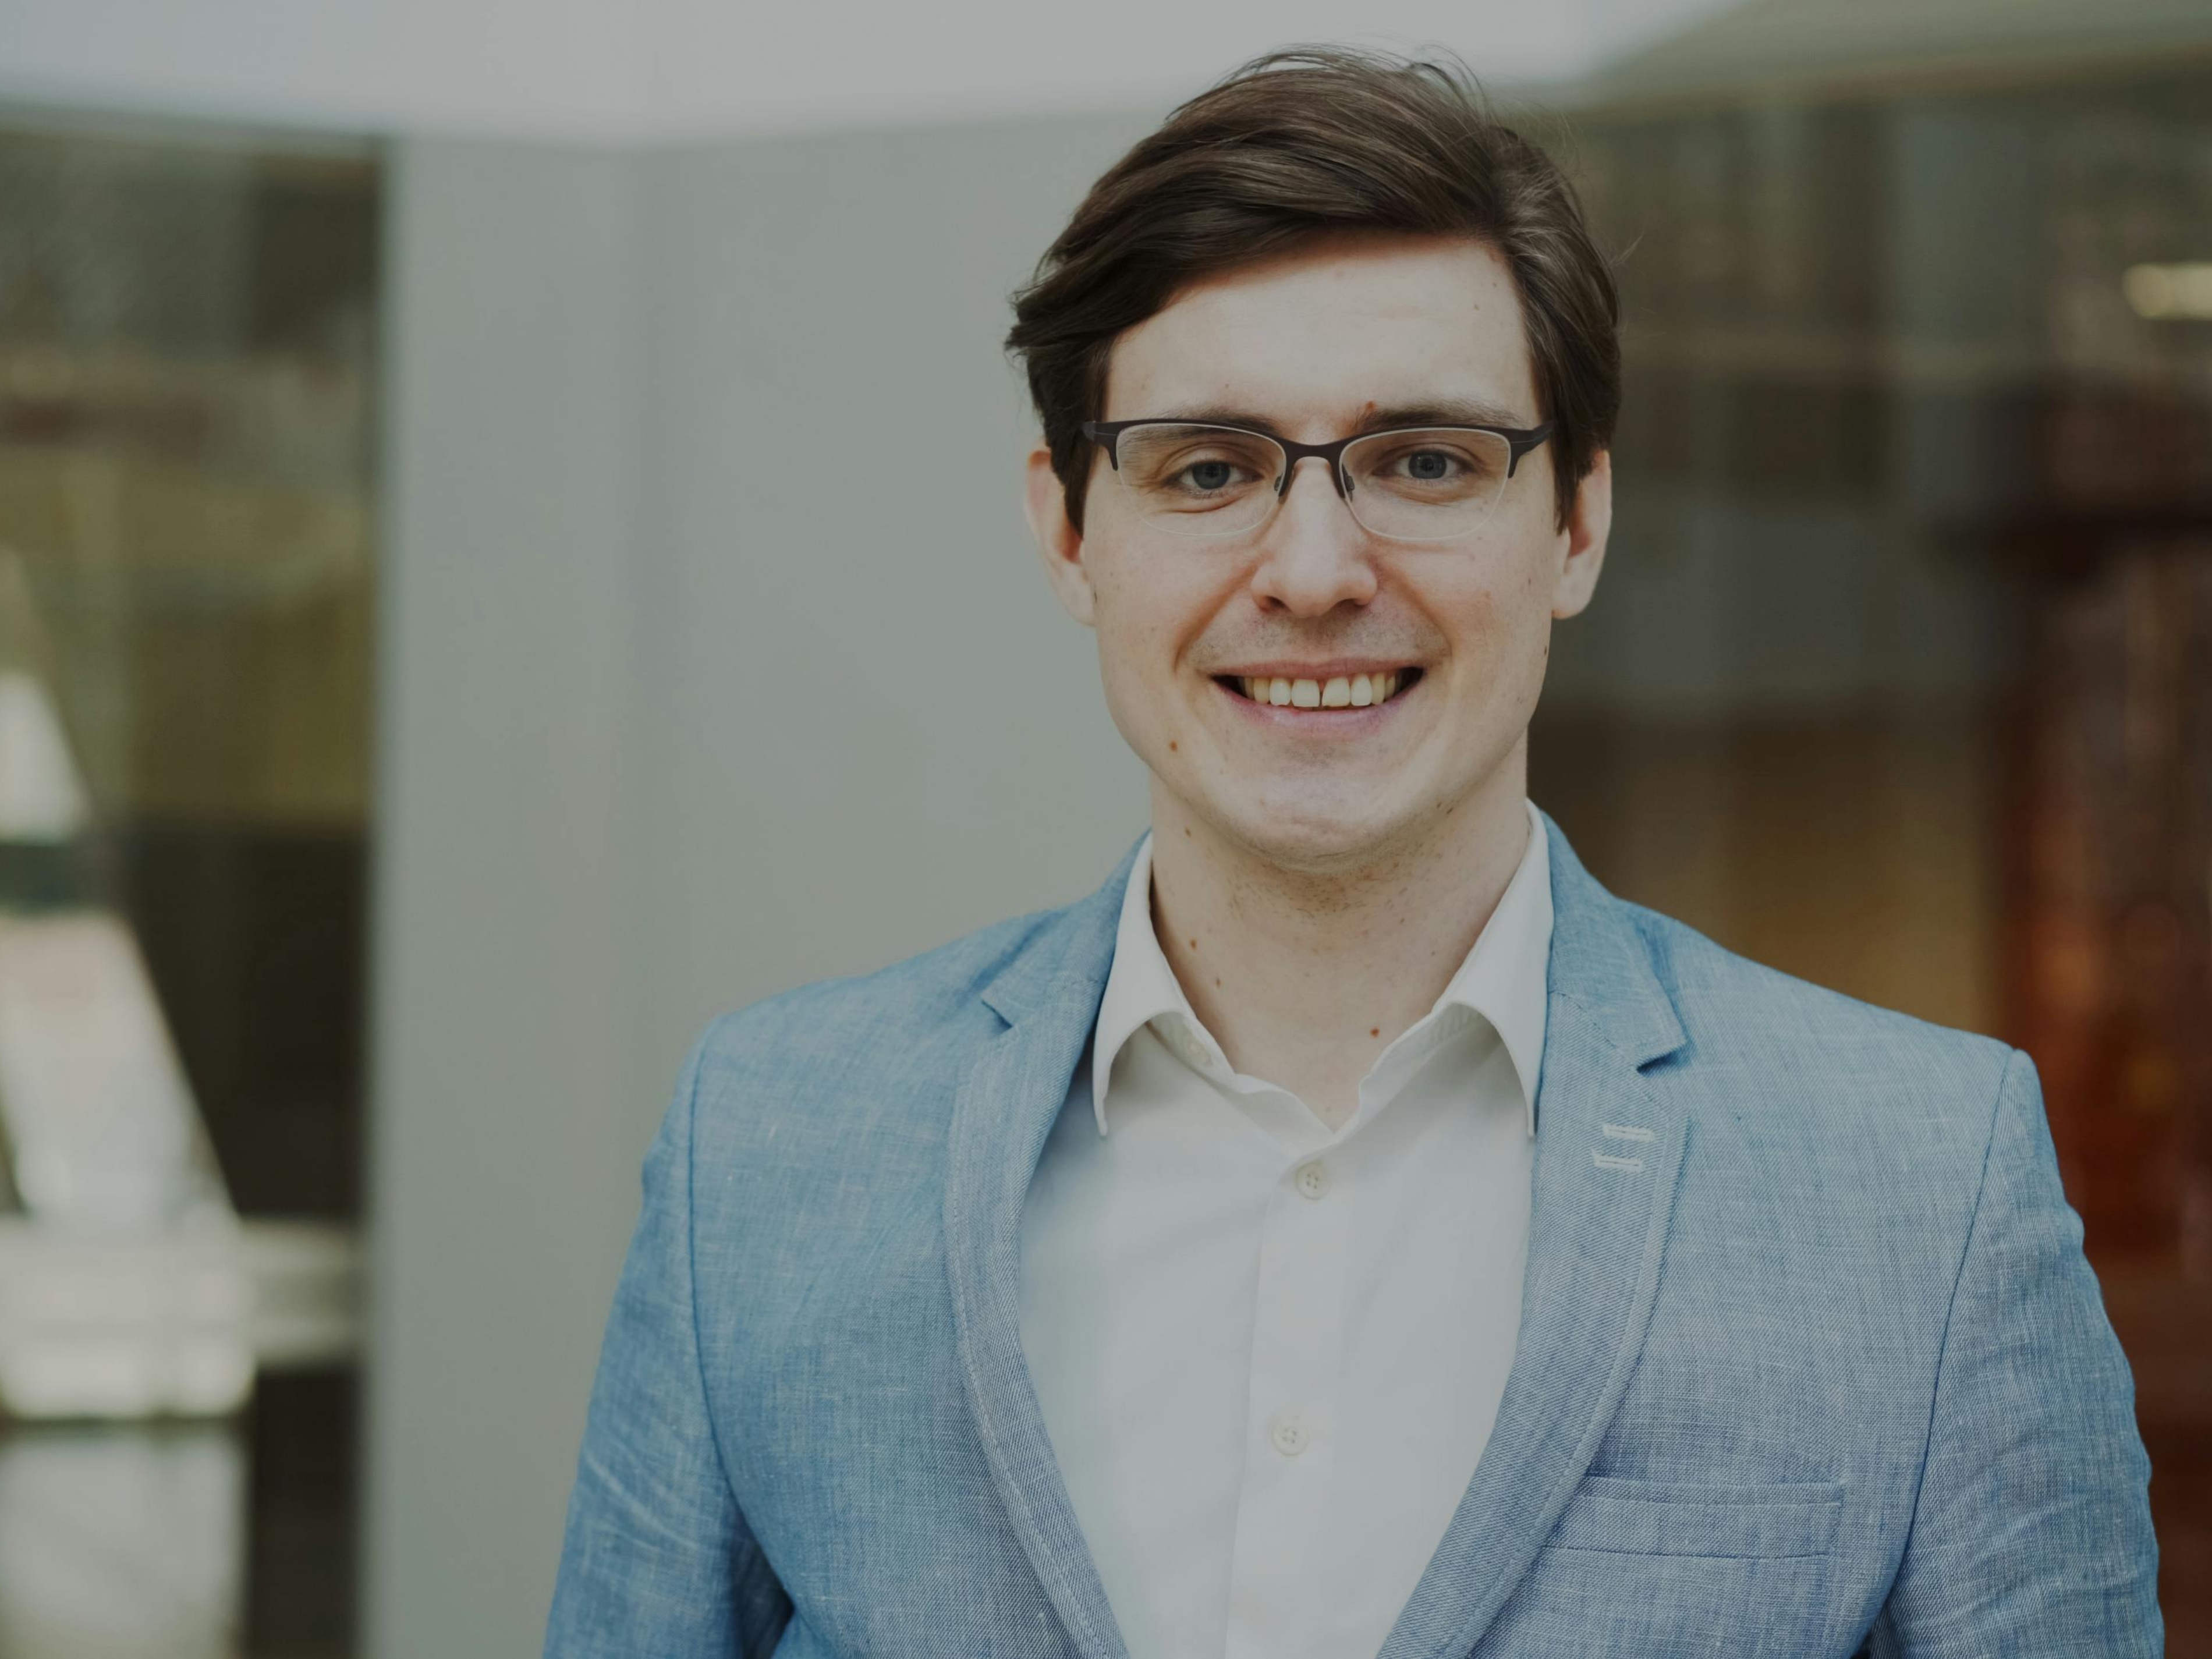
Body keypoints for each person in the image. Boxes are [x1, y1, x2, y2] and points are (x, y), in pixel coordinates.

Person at [544, 48, 2160, 1659]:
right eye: (1207, 469)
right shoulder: (767, 1155)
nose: (1313, 569)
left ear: (1579, 521)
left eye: (1428, 461)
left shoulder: (1925, 1190)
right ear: (1067, 530)